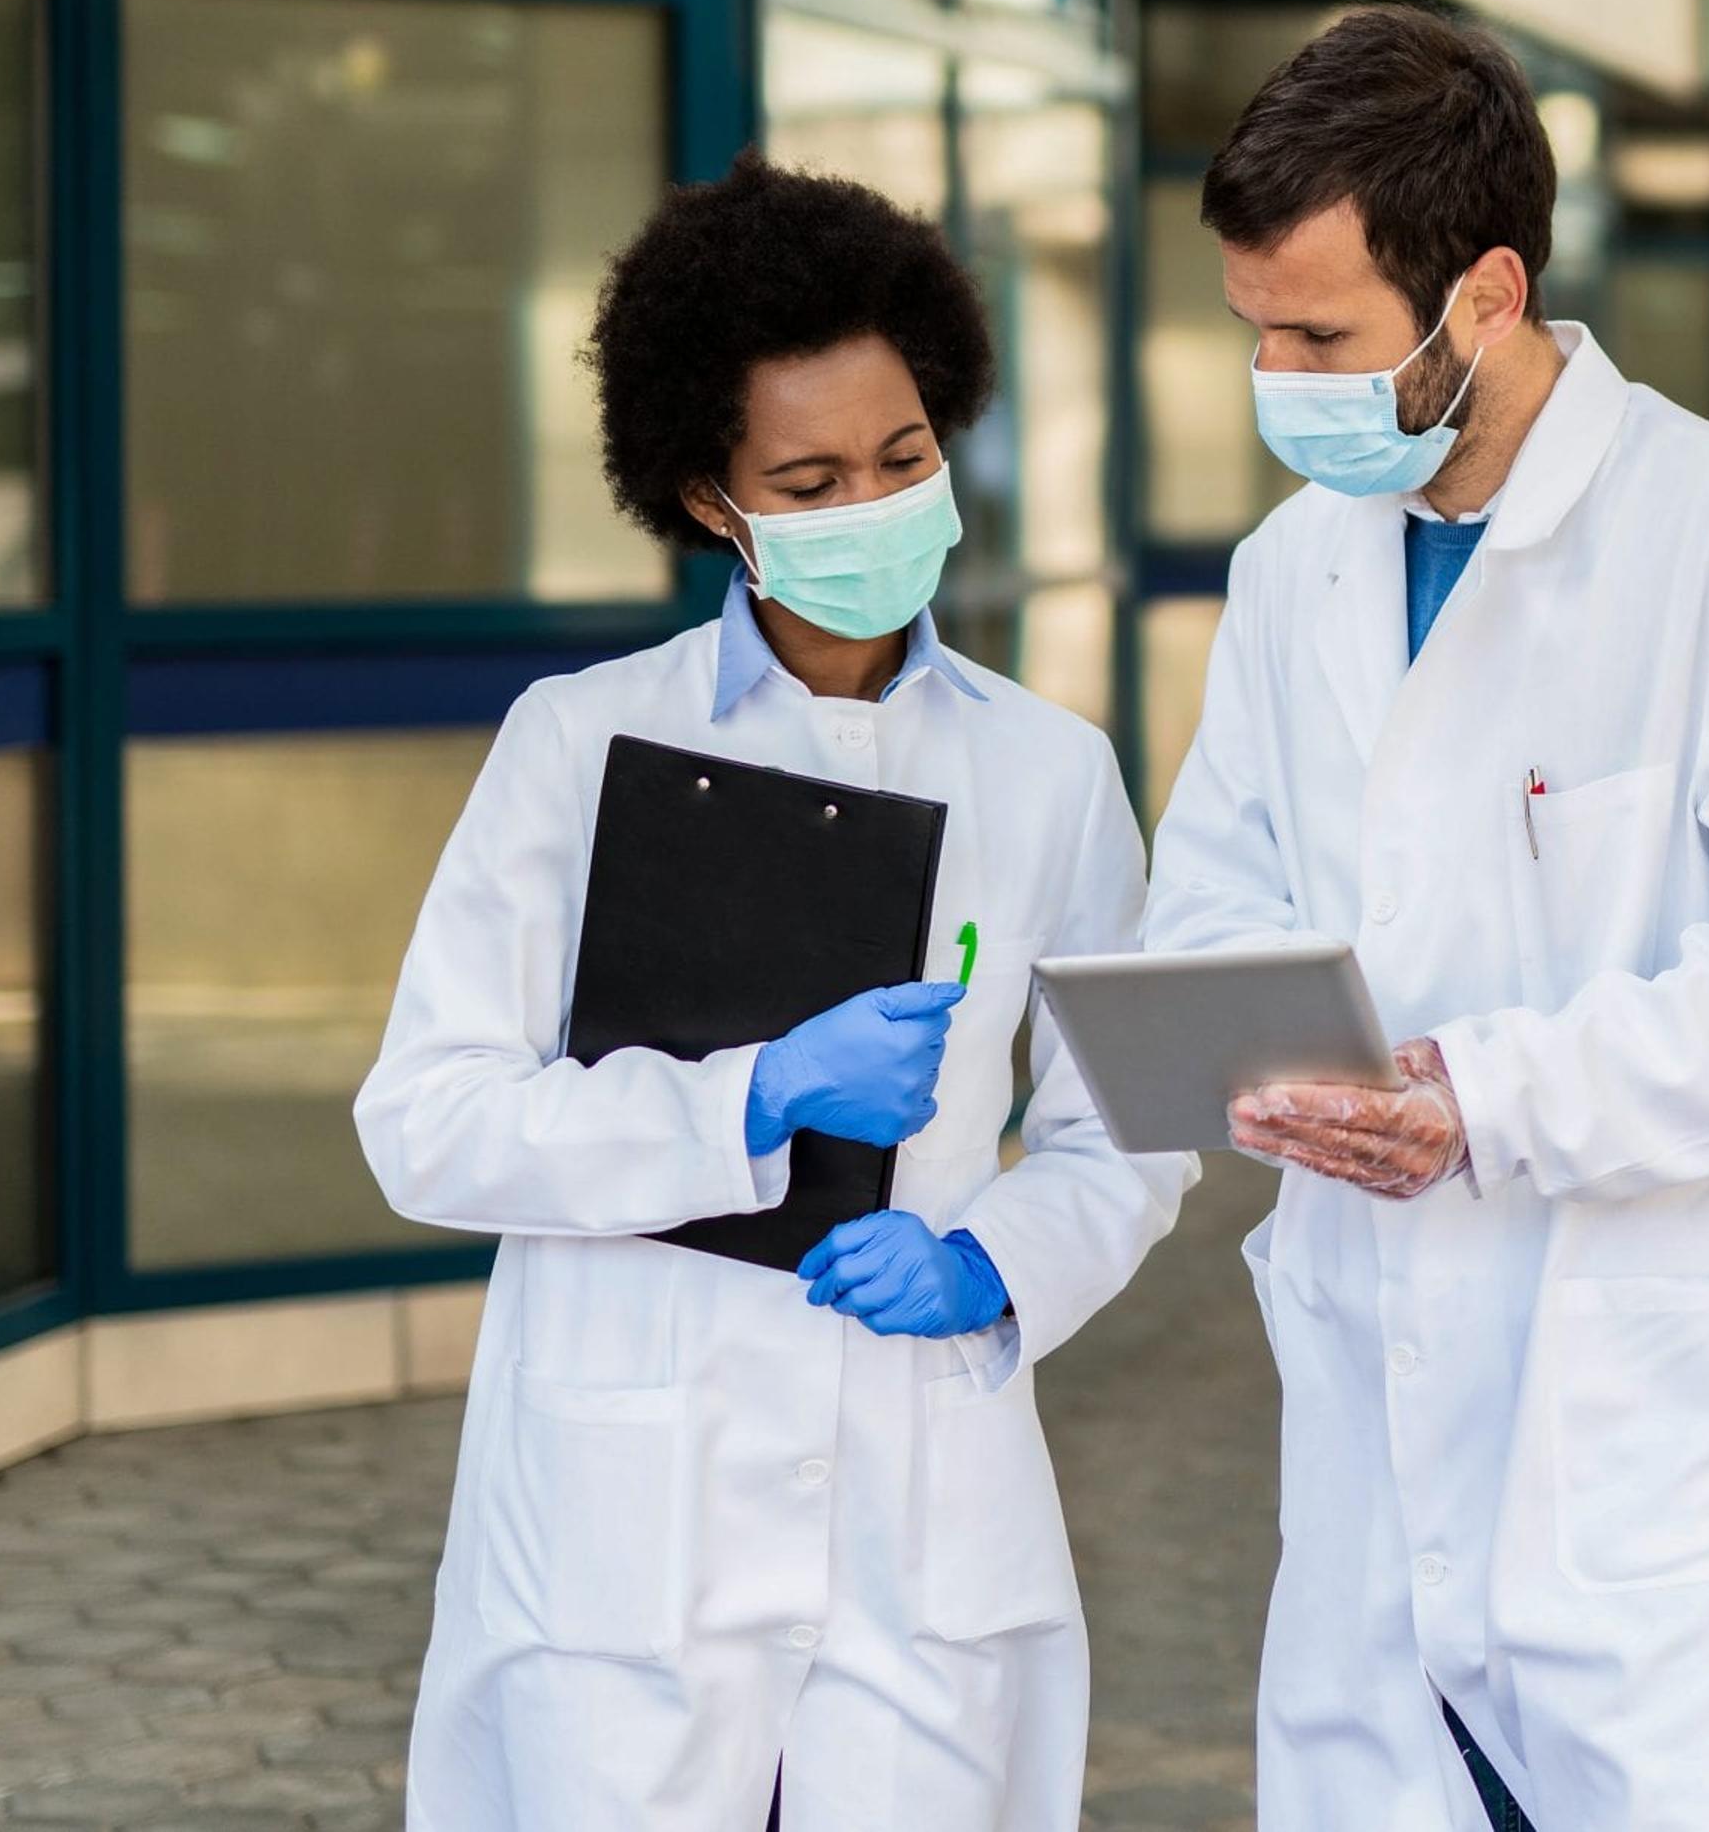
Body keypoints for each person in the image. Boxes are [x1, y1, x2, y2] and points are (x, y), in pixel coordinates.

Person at [1144, 7, 1709, 1832]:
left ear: (1486, 296)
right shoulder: (1296, 569)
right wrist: (1236, 1053)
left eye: (1321, 336)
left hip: (1653, 1415)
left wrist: (1493, 1101)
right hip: (1379, 1376)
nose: (1276, 374)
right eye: (1253, 329)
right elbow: (1217, 886)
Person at [355, 158, 1191, 1832]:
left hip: (921, 1489)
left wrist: (994, 1266)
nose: (874, 505)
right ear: (711, 499)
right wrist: (745, 1099)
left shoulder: (1052, 771)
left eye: (903, 459)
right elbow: (425, 1125)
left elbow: (1138, 1133)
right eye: (808, 478)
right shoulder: (580, 746)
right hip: (631, 1502)